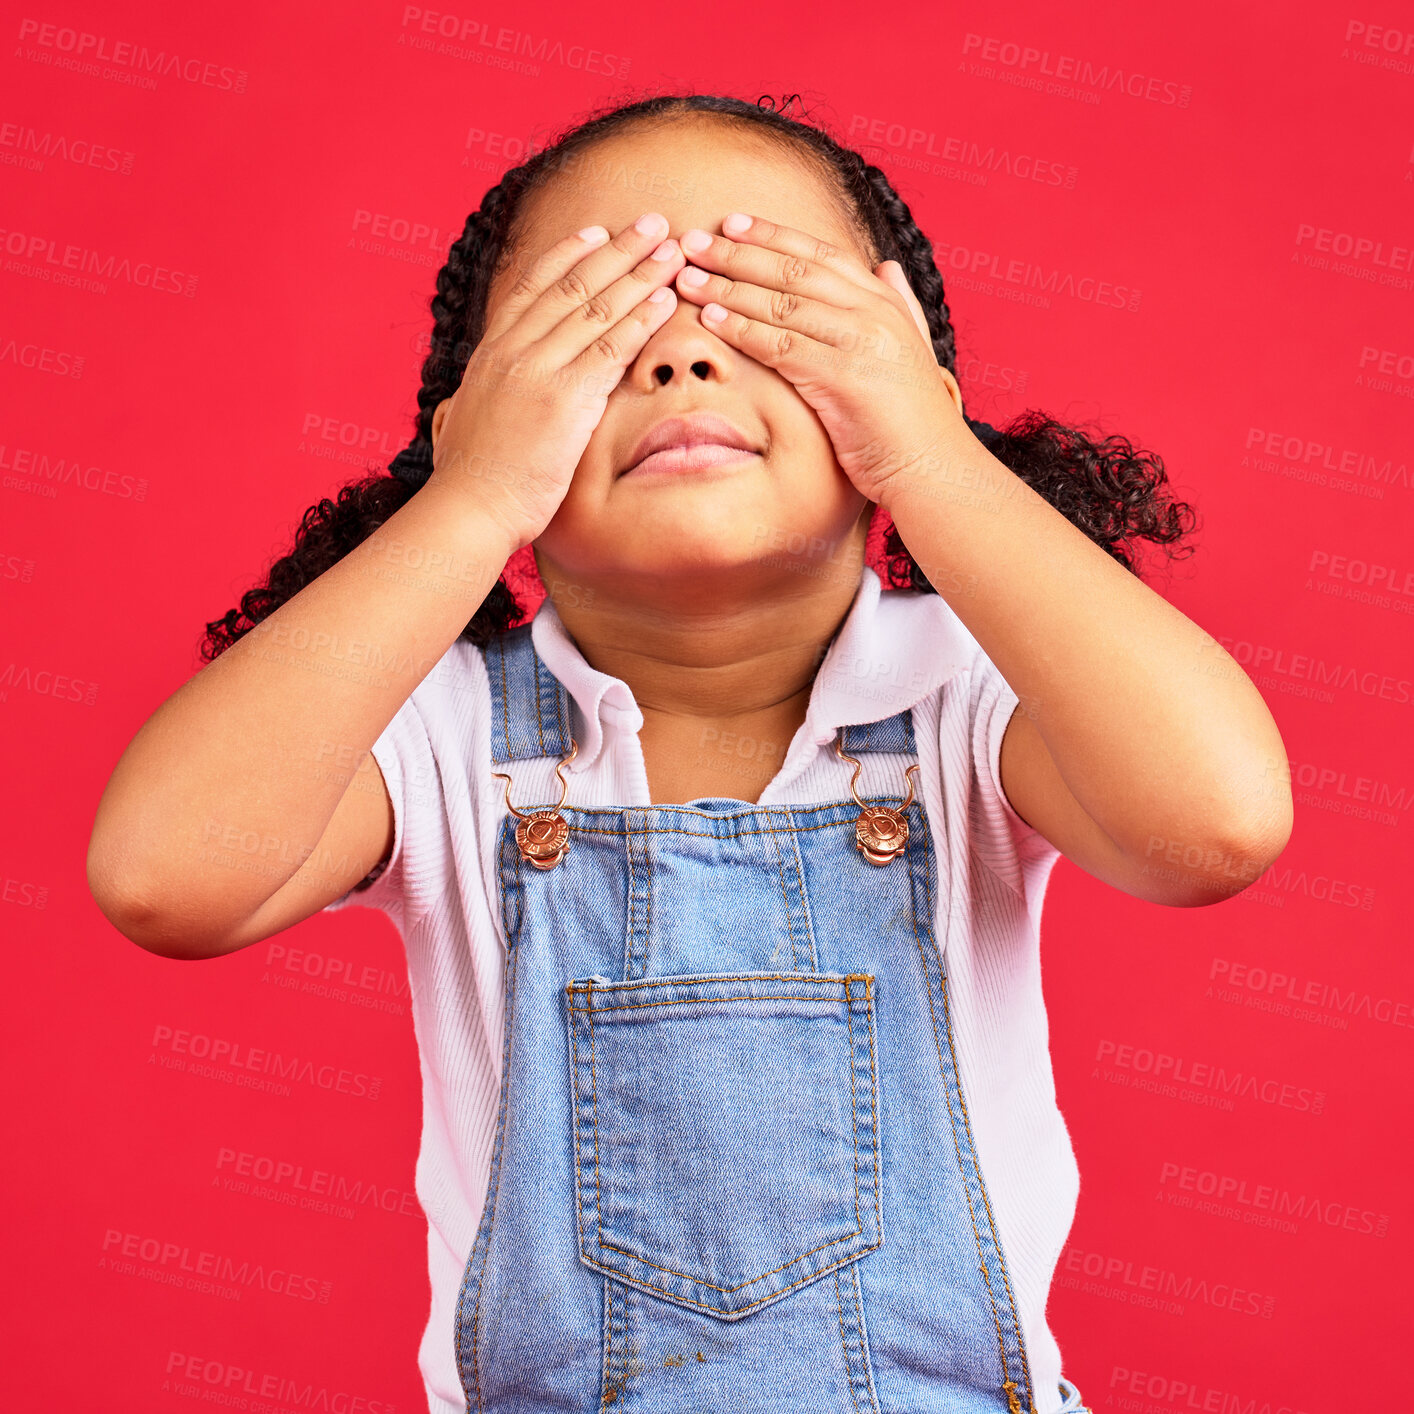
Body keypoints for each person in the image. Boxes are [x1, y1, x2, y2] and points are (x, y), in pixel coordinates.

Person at [87, 93, 1293, 1414]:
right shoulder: (448, 733)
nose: (678, 361)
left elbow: (1214, 824)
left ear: (907, 386)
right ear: (475, 412)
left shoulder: (965, 697)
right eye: (602, 324)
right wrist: (472, 496)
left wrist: (930, 459)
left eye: (758, 310)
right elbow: (165, 876)